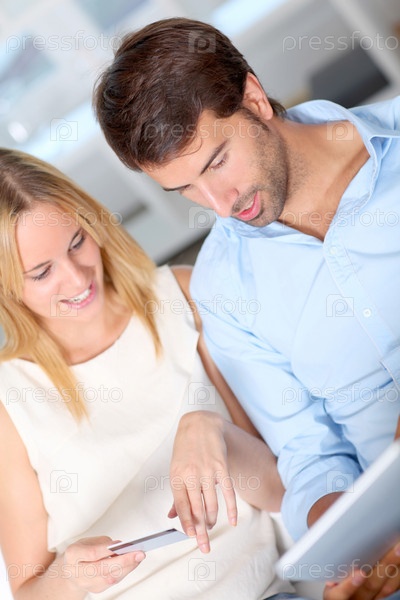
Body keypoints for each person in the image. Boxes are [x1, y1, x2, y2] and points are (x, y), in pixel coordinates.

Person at [93, 16, 400, 599]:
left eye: (215, 162)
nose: (219, 204)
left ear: (255, 99)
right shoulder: (223, 287)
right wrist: (357, 555)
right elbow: (311, 457)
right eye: (185, 188)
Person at [0, 148, 293, 599]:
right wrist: (70, 577)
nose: (77, 279)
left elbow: (279, 492)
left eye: (77, 242)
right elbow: (28, 590)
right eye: (41, 273)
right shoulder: (11, 399)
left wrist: (214, 431)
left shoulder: (182, 297)